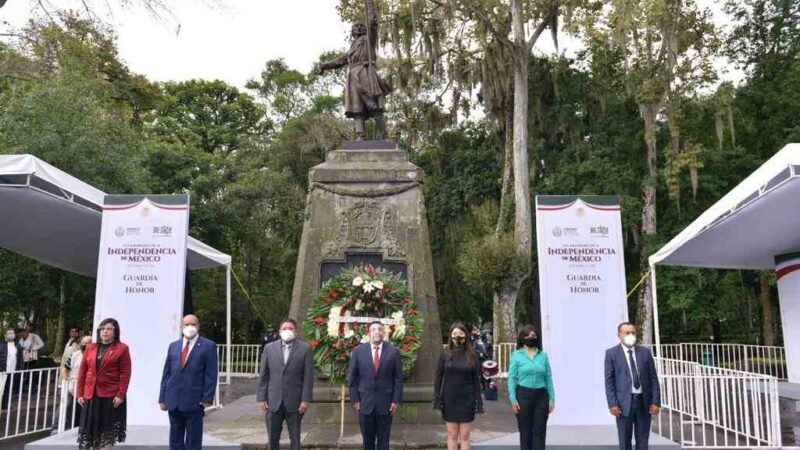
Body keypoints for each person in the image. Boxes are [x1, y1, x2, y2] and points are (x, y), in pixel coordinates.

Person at [319, 0, 392, 140]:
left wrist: (370, 4)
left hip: (365, 73)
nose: (358, 28)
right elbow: (340, 60)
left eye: (360, 26)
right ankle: (360, 135)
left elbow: (372, 22)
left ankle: (383, 135)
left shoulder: (369, 39)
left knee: (373, 105)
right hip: (353, 77)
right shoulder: (351, 49)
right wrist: (325, 65)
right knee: (356, 106)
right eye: (355, 26)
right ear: (352, 31)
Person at [159, 314, 219, 450]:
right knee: (175, 442)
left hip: (194, 401)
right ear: (181, 327)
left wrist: (207, 398)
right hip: (173, 400)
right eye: (186, 324)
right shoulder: (173, 346)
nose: (190, 327)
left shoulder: (208, 346)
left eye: (193, 324)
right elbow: (167, 373)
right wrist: (162, 397)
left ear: (198, 326)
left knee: (193, 442)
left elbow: (211, 374)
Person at [256, 318, 314, 450]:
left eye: (291, 328)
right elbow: (264, 375)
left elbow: (308, 377)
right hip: (273, 401)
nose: (287, 331)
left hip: (295, 401)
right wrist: (261, 398)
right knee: (273, 438)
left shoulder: (305, 349)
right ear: (279, 331)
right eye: (284, 328)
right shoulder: (269, 348)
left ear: (296, 331)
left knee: (295, 439)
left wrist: (305, 400)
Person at [76, 318, 131, 449]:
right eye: (102, 329)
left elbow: (126, 373)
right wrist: (80, 393)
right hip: (91, 396)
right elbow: (82, 372)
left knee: (107, 434)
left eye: (109, 329)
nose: (105, 331)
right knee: (90, 435)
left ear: (115, 332)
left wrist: (121, 394)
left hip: (110, 397)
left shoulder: (122, 349)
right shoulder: (90, 348)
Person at [605, 322, 661, 450]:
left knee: (643, 441)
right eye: (627, 333)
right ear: (619, 335)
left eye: (633, 332)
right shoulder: (611, 354)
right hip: (623, 405)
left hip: (644, 403)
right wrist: (612, 404)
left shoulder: (645, 353)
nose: (631, 335)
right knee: (625, 441)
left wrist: (656, 401)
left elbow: (653, 379)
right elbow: (609, 381)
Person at [348, 321, 403, 450]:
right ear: (369, 333)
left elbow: (398, 378)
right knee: (368, 442)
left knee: (384, 442)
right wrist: (355, 400)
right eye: (373, 329)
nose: (377, 332)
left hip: (386, 405)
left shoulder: (393, 352)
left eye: (379, 329)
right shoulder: (358, 351)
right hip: (365, 404)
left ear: (384, 333)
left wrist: (396, 400)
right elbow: (352, 378)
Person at [434, 322, 484, 450]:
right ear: (450, 336)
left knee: (465, 435)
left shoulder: (473, 355)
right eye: (455, 333)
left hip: (467, 399)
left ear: (466, 336)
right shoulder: (445, 355)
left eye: (461, 333)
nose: (458, 336)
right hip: (449, 399)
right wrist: (437, 399)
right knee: (452, 434)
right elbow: (438, 379)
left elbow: (476, 381)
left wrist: (479, 402)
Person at [508, 325, 555, 450]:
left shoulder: (543, 356)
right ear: (522, 338)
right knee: (525, 432)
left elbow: (548, 378)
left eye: (533, 336)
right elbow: (512, 378)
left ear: (537, 337)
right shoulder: (516, 355)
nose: (530, 338)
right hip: (523, 396)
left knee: (539, 432)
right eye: (527, 336)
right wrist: (513, 399)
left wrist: (551, 399)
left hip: (541, 397)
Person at [63, 336, 91, 428]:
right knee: (71, 410)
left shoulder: (95, 356)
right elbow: (66, 368)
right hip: (73, 388)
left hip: (88, 389)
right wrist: (66, 380)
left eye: (89, 343)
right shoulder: (75, 355)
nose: (86, 345)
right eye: (84, 343)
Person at [0, 328, 23, 411]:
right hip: (2, 371)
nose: (11, 334)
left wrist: (20, 369)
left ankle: (5, 404)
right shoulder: (1, 345)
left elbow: (20, 358)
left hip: (12, 371)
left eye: (12, 333)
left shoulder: (17, 345)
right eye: (9, 333)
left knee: (9, 389)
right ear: (5, 335)